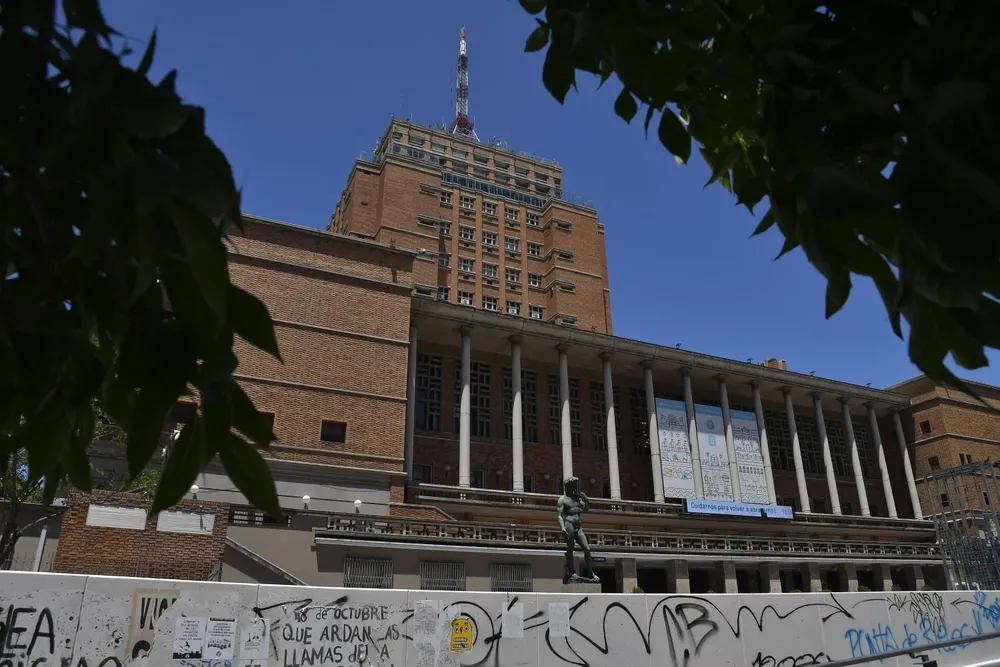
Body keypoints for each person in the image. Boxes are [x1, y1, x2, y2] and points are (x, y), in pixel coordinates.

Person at [557, 476, 599, 584]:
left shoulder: (578, 498)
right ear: (566, 487)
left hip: (578, 526)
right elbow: (559, 516)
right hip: (569, 525)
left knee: (587, 549)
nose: (573, 488)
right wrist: (562, 528)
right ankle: (572, 572)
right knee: (570, 549)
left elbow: (586, 510)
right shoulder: (562, 500)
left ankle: (591, 573)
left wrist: (586, 500)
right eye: (571, 486)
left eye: (574, 486)